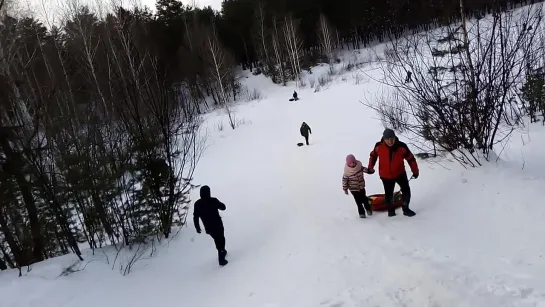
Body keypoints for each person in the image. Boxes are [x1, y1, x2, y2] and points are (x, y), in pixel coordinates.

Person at [367, 128, 419, 217]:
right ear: (384, 139)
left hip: (400, 173)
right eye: (388, 139)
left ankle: (406, 209)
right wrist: (370, 168)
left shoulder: (401, 146)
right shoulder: (379, 146)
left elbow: (410, 159)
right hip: (385, 176)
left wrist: (415, 171)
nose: (390, 141)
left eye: (392, 138)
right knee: (389, 194)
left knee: (406, 190)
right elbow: (373, 156)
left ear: (395, 137)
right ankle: (391, 212)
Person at [193, 185, 228, 266]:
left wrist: (197, 227)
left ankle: (222, 251)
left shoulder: (197, 204)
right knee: (221, 239)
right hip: (217, 224)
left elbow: (195, 217)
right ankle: (221, 258)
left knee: (217, 239)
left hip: (208, 228)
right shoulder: (213, 200)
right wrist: (218, 203)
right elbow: (223, 207)